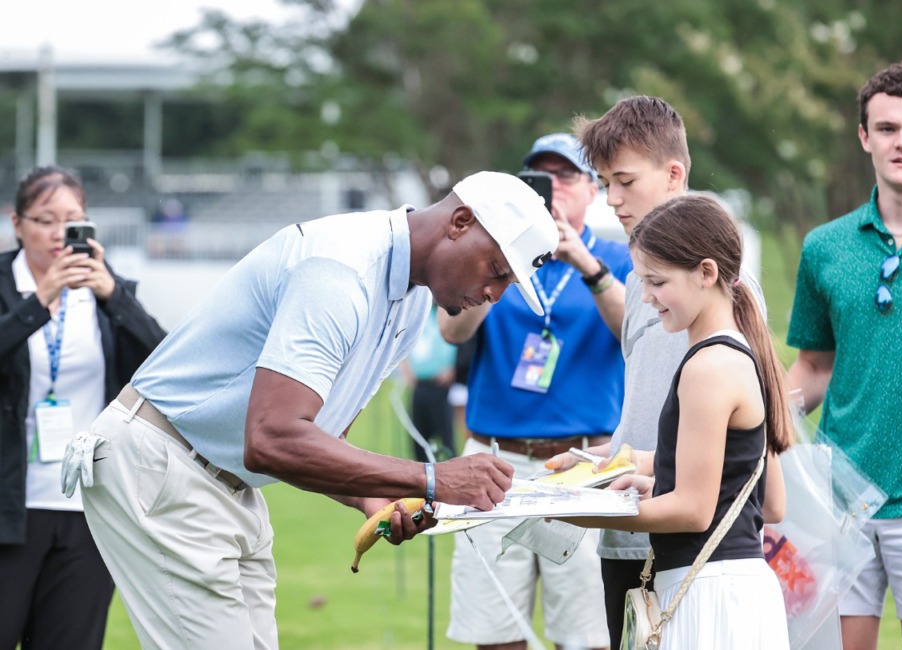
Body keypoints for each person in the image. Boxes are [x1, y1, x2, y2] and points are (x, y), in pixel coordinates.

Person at [66, 171, 558, 649]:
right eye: (496, 270)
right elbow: (272, 438)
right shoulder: (341, 268)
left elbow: (319, 435)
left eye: (509, 283)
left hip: (226, 482)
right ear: (460, 222)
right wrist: (431, 478)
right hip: (163, 460)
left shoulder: (410, 302)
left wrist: (374, 499)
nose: (495, 293)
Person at [541, 95, 766, 649]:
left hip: (676, 544)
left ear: (674, 174)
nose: (612, 200)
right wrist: (596, 465)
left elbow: (744, 457)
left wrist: (592, 508)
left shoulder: (716, 298)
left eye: (624, 181)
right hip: (634, 528)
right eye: (605, 183)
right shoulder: (654, 281)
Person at [786, 62, 902, 650]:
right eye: (887, 128)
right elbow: (814, 365)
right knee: (831, 645)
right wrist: (762, 422)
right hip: (837, 496)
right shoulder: (824, 247)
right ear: (864, 137)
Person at [566, 193, 791, 649]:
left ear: (706, 273)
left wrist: (581, 513)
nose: (646, 297)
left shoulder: (707, 367)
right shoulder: (736, 351)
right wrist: (644, 472)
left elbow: (693, 509)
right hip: (731, 592)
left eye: (657, 281)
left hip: (710, 596)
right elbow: (769, 503)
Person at [440, 133, 632, 650]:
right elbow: (452, 331)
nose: (554, 190)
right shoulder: (495, 254)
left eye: (565, 177)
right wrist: (506, 255)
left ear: (593, 189)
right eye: (540, 178)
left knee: (588, 632)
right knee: (494, 629)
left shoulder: (618, 255)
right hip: (492, 461)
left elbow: (634, 333)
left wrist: (586, 266)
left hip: (582, 463)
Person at [0, 165, 166, 649]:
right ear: (17, 223)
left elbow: (163, 364)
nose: (59, 233)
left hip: (90, 506)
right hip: (10, 506)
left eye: (73, 220)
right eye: (45, 219)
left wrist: (114, 296)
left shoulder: (110, 293)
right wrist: (41, 299)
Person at [401, 302, 458, 462]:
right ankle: (422, 475)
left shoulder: (445, 316)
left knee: (445, 434)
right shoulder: (417, 317)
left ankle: (450, 468)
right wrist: (407, 371)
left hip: (439, 385)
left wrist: (452, 369)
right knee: (419, 434)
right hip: (419, 385)